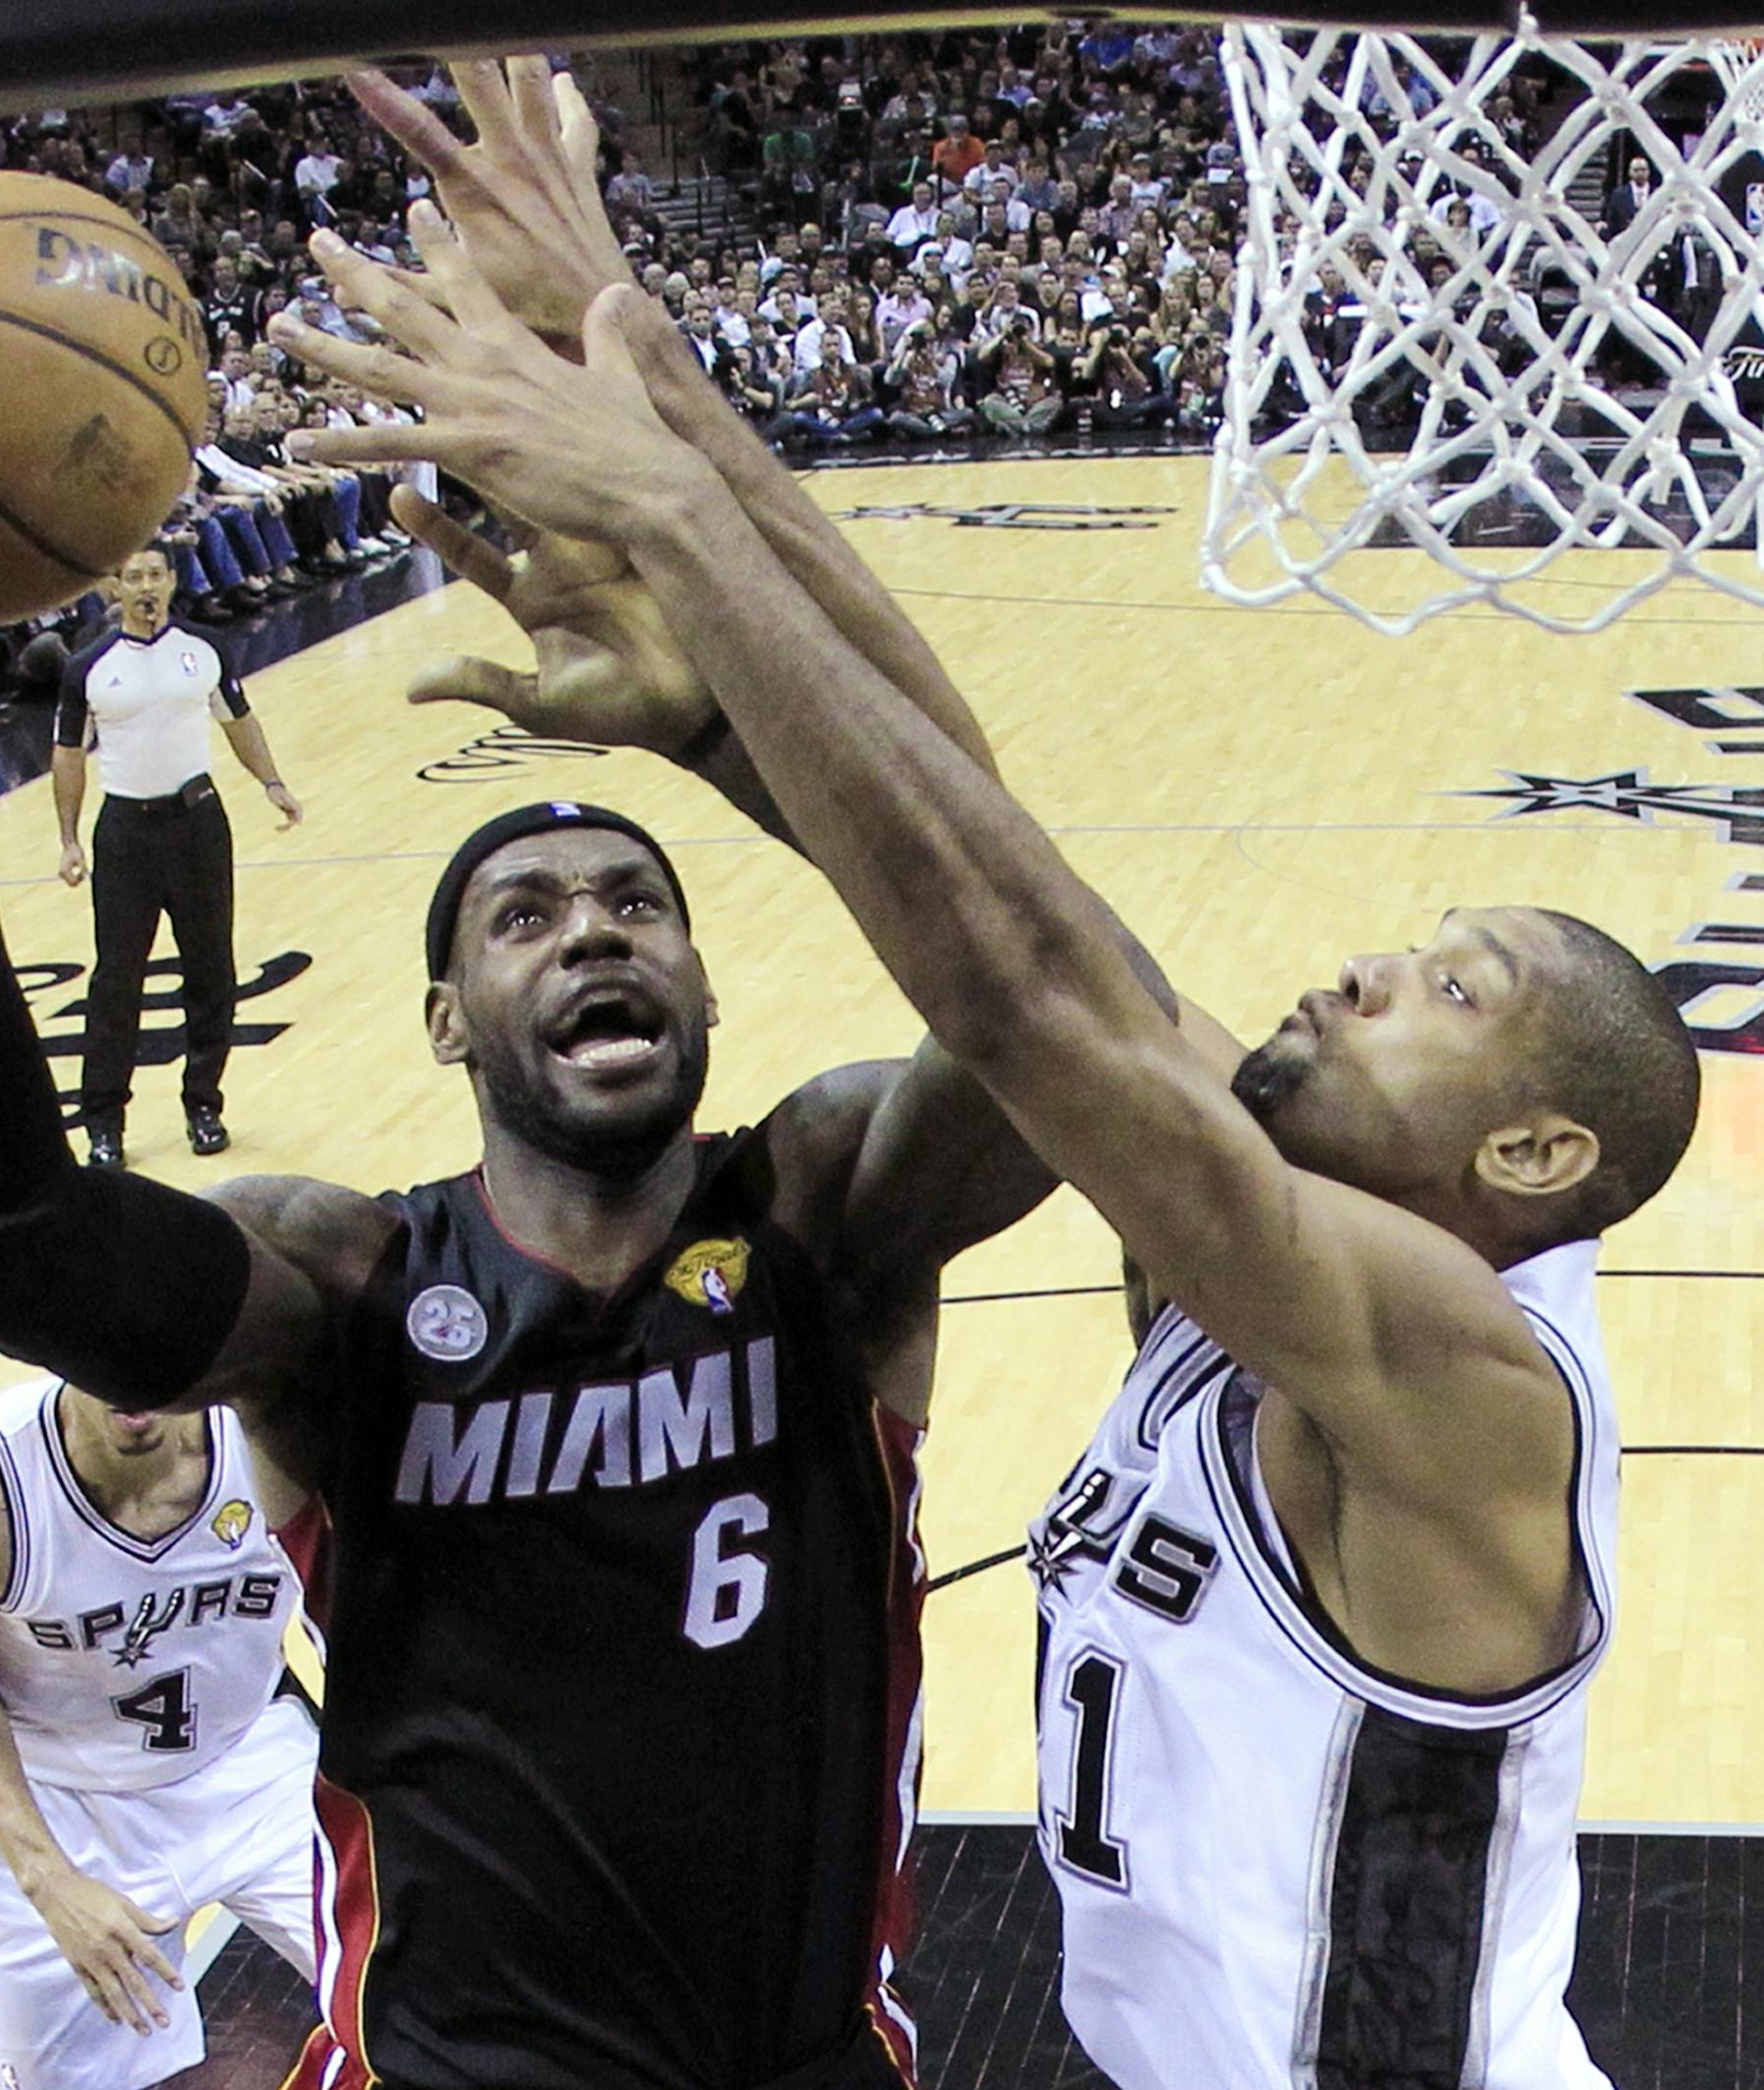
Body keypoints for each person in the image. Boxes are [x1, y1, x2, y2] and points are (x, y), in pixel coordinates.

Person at [259, 64, 1700, 2090]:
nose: (1373, 964)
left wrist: (670, 505)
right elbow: (1007, 868)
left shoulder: (1460, 1369)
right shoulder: (1281, 1225)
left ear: (1534, 1145)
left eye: (1449, 988)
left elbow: (1020, 988)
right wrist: (640, 361)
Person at [0, 71, 1076, 2081]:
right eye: (524, 914)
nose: (593, 927)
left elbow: (1043, 1001)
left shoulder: (826, 1212)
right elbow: (5, 1235)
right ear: (443, 1020)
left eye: (635, 900)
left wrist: (732, 721)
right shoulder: (343, 1292)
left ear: (705, 979)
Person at [0, 1379, 323, 2090]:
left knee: (441, 1995)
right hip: (63, 1802)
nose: (130, 1381)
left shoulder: (272, 1434)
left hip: (251, 1757)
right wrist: (50, 1881)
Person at [52, 543, 303, 1169]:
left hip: (198, 826)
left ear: (171, 581)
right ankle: (103, 1122)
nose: (146, 586)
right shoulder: (88, 667)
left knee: (212, 969)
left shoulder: (205, 649)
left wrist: (271, 781)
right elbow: (67, 754)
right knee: (117, 981)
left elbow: (238, 720)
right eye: (133, 576)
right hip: (125, 834)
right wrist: (68, 837)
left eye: (155, 575)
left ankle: (204, 1105)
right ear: (115, 588)